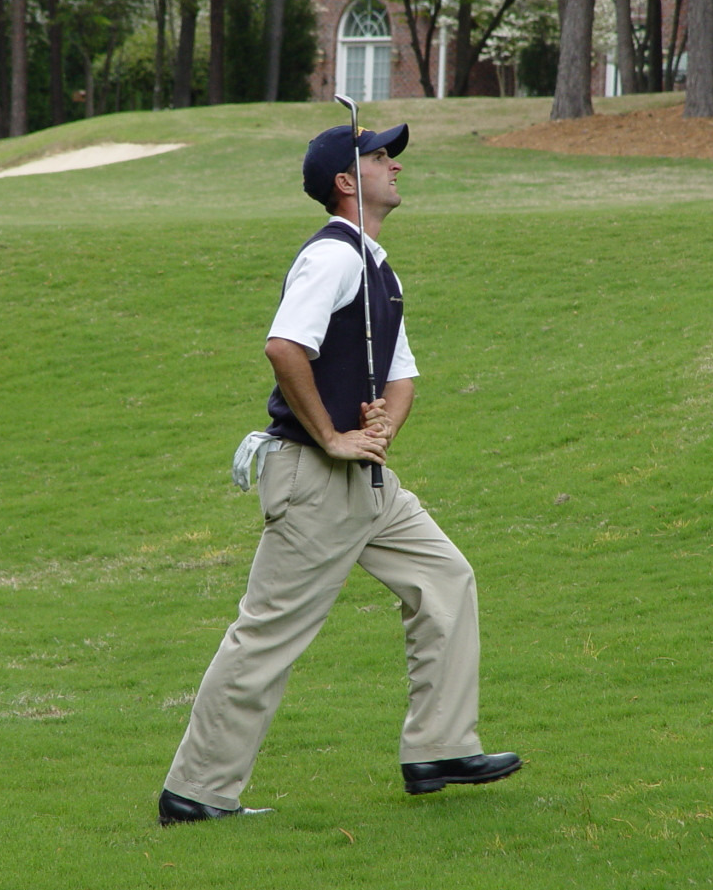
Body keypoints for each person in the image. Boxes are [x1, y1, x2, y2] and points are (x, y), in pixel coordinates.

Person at [157, 117, 521, 825]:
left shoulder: (379, 267)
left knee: (445, 578)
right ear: (347, 182)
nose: (397, 167)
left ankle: (437, 749)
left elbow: (403, 375)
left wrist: (383, 422)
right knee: (268, 635)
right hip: (316, 479)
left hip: (371, 488)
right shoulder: (332, 258)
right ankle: (196, 793)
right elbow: (285, 347)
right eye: (383, 158)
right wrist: (333, 437)